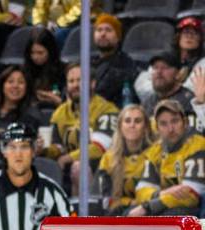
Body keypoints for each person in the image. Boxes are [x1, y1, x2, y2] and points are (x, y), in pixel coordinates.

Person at [44, 62, 119, 194]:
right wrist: (42, 149)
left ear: (92, 84)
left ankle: (86, 212)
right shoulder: (60, 113)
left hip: (101, 167)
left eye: (80, 80)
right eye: (71, 81)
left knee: (79, 168)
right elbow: (58, 146)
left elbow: (100, 148)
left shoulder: (107, 109)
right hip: (67, 166)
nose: (75, 85)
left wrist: (67, 158)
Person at [129, 99, 205, 217]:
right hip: (165, 204)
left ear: (185, 122)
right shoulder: (155, 151)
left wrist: (148, 206)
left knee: (174, 213)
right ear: (157, 128)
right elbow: (141, 191)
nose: (170, 129)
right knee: (127, 212)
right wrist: (163, 193)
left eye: (175, 121)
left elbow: (191, 195)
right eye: (163, 124)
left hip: (195, 209)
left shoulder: (198, 145)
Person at [96, 105, 154, 215]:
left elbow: (155, 195)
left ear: (146, 127)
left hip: (146, 211)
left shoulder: (155, 154)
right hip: (118, 212)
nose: (132, 125)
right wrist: (129, 202)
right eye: (127, 121)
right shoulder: (109, 158)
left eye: (137, 121)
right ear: (120, 127)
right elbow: (106, 199)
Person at [141, 52, 201, 134]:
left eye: (165, 68)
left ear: (178, 74)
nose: (159, 72)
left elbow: (194, 135)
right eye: (155, 68)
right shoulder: (147, 101)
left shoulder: (190, 101)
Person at [91, 14, 138, 108]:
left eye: (108, 30)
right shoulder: (87, 62)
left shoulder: (125, 63)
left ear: (118, 37)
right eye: (99, 30)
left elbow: (103, 92)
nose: (103, 34)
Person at [23, 27, 64, 109]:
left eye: (40, 53)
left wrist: (55, 99)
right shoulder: (24, 70)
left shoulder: (62, 70)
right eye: (32, 52)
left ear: (50, 51)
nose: (35, 57)